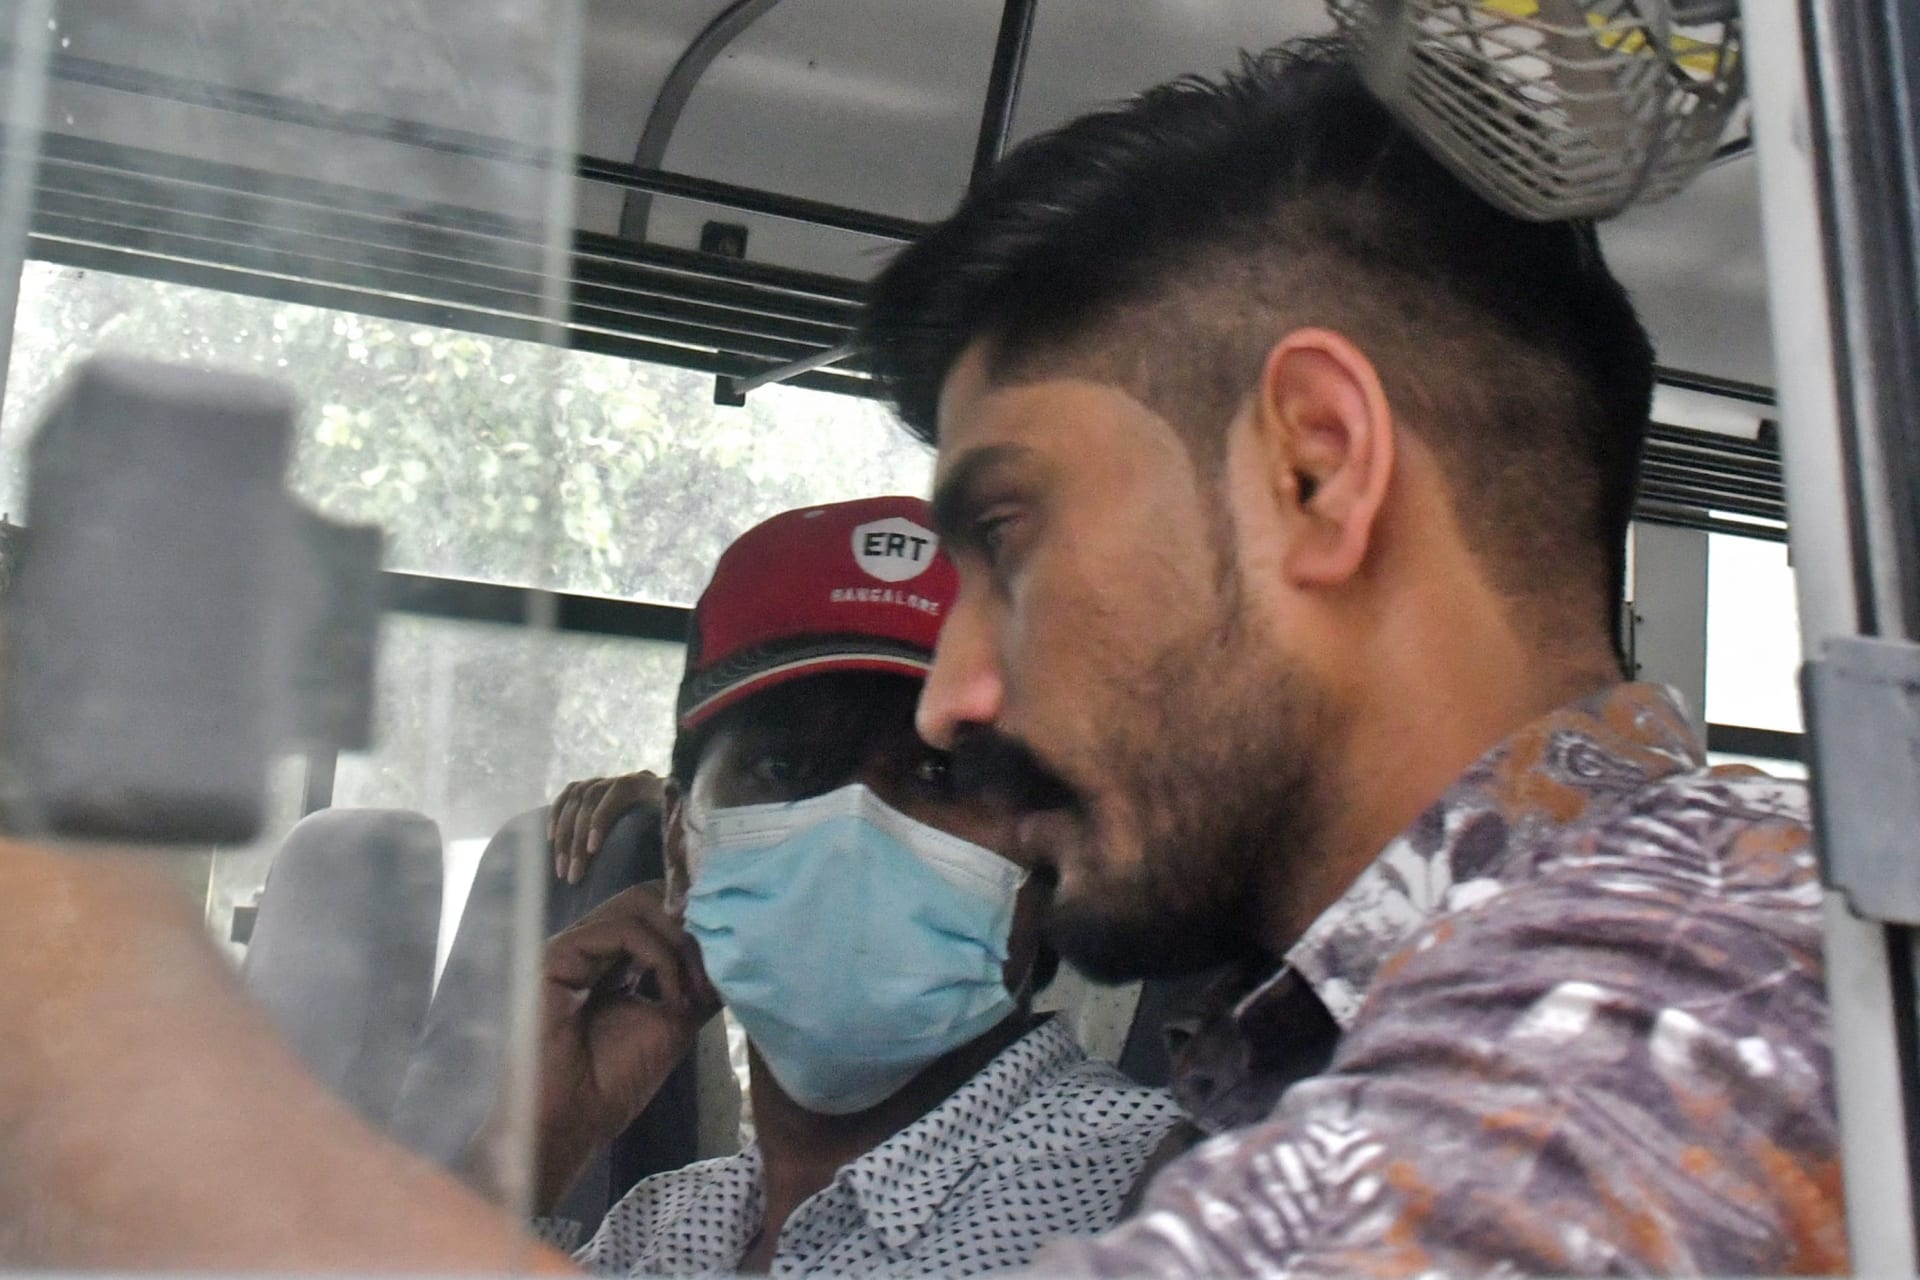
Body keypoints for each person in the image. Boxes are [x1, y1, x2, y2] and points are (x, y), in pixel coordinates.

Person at [854, 36, 1843, 1277]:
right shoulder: (1373, 1040)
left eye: (1008, 537)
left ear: (1315, 470)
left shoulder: (1684, 1001)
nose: (952, 700)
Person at [490, 495, 1181, 1274]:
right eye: (784, 769)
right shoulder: (662, 1230)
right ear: (682, 849)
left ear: (1063, 856)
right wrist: (528, 1155)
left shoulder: (1169, 1206)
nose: (853, 832)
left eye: (941, 773)